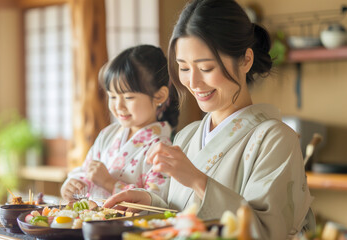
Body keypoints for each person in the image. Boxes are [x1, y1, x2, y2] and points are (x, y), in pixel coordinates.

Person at [103, 0, 315, 239]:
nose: (193, 82)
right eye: (183, 68)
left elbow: (268, 232)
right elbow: (182, 214)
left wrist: (197, 180)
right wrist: (148, 202)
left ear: (246, 60)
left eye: (205, 68)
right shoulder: (187, 136)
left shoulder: (276, 139)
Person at [61, 45, 180, 202]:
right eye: (113, 96)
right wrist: (74, 185)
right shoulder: (108, 135)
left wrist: (109, 183)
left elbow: (158, 201)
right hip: (93, 221)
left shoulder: (162, 147)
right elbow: (87, 171)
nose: (118, 106)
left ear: (159, 96)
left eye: (128, 97)